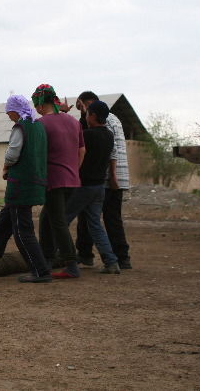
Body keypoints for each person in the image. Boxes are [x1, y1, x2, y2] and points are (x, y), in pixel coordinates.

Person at [0, 95, 51, 283]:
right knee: (5, 219)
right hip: (34, 182)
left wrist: (6, 166)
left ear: (15, 109)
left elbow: (13, 153)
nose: (8, 115)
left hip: (21, 185)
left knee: (23, 231)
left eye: (8, 111)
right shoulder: (39, 126)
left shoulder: (20, 127)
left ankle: (40, 271)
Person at [33, 84, 85, 279]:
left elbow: (37, 155)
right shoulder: (73, 122)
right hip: (72, 179)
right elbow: (82, 151)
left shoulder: (41, 124)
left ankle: (71, 264)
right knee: (47, 218)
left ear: (39, 105)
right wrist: (73, 170)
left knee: (58, 222)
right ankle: (46, 259)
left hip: (54, 180)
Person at [75, 91, 132, 269]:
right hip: (109, 176)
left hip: (108, 177)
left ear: (89, 105)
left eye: (84, 108)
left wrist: (112, 176)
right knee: (91, 218)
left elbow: (111, 149)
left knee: (107, 218)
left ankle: (120, 258)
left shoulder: (108, 122)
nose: (84, 113)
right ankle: (88, 254)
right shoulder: (112, 118)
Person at [65, 101, 120, 274]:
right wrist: (82, 114)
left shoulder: (88, 136)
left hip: (83, 187)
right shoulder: (109, 136)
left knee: (60, 220)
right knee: (95, 225)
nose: (86, 116)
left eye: (88, 113)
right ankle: (111, 261)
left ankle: (58, 257)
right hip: (99, 188)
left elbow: (75, 135)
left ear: (94, 116)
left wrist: (65, 114)